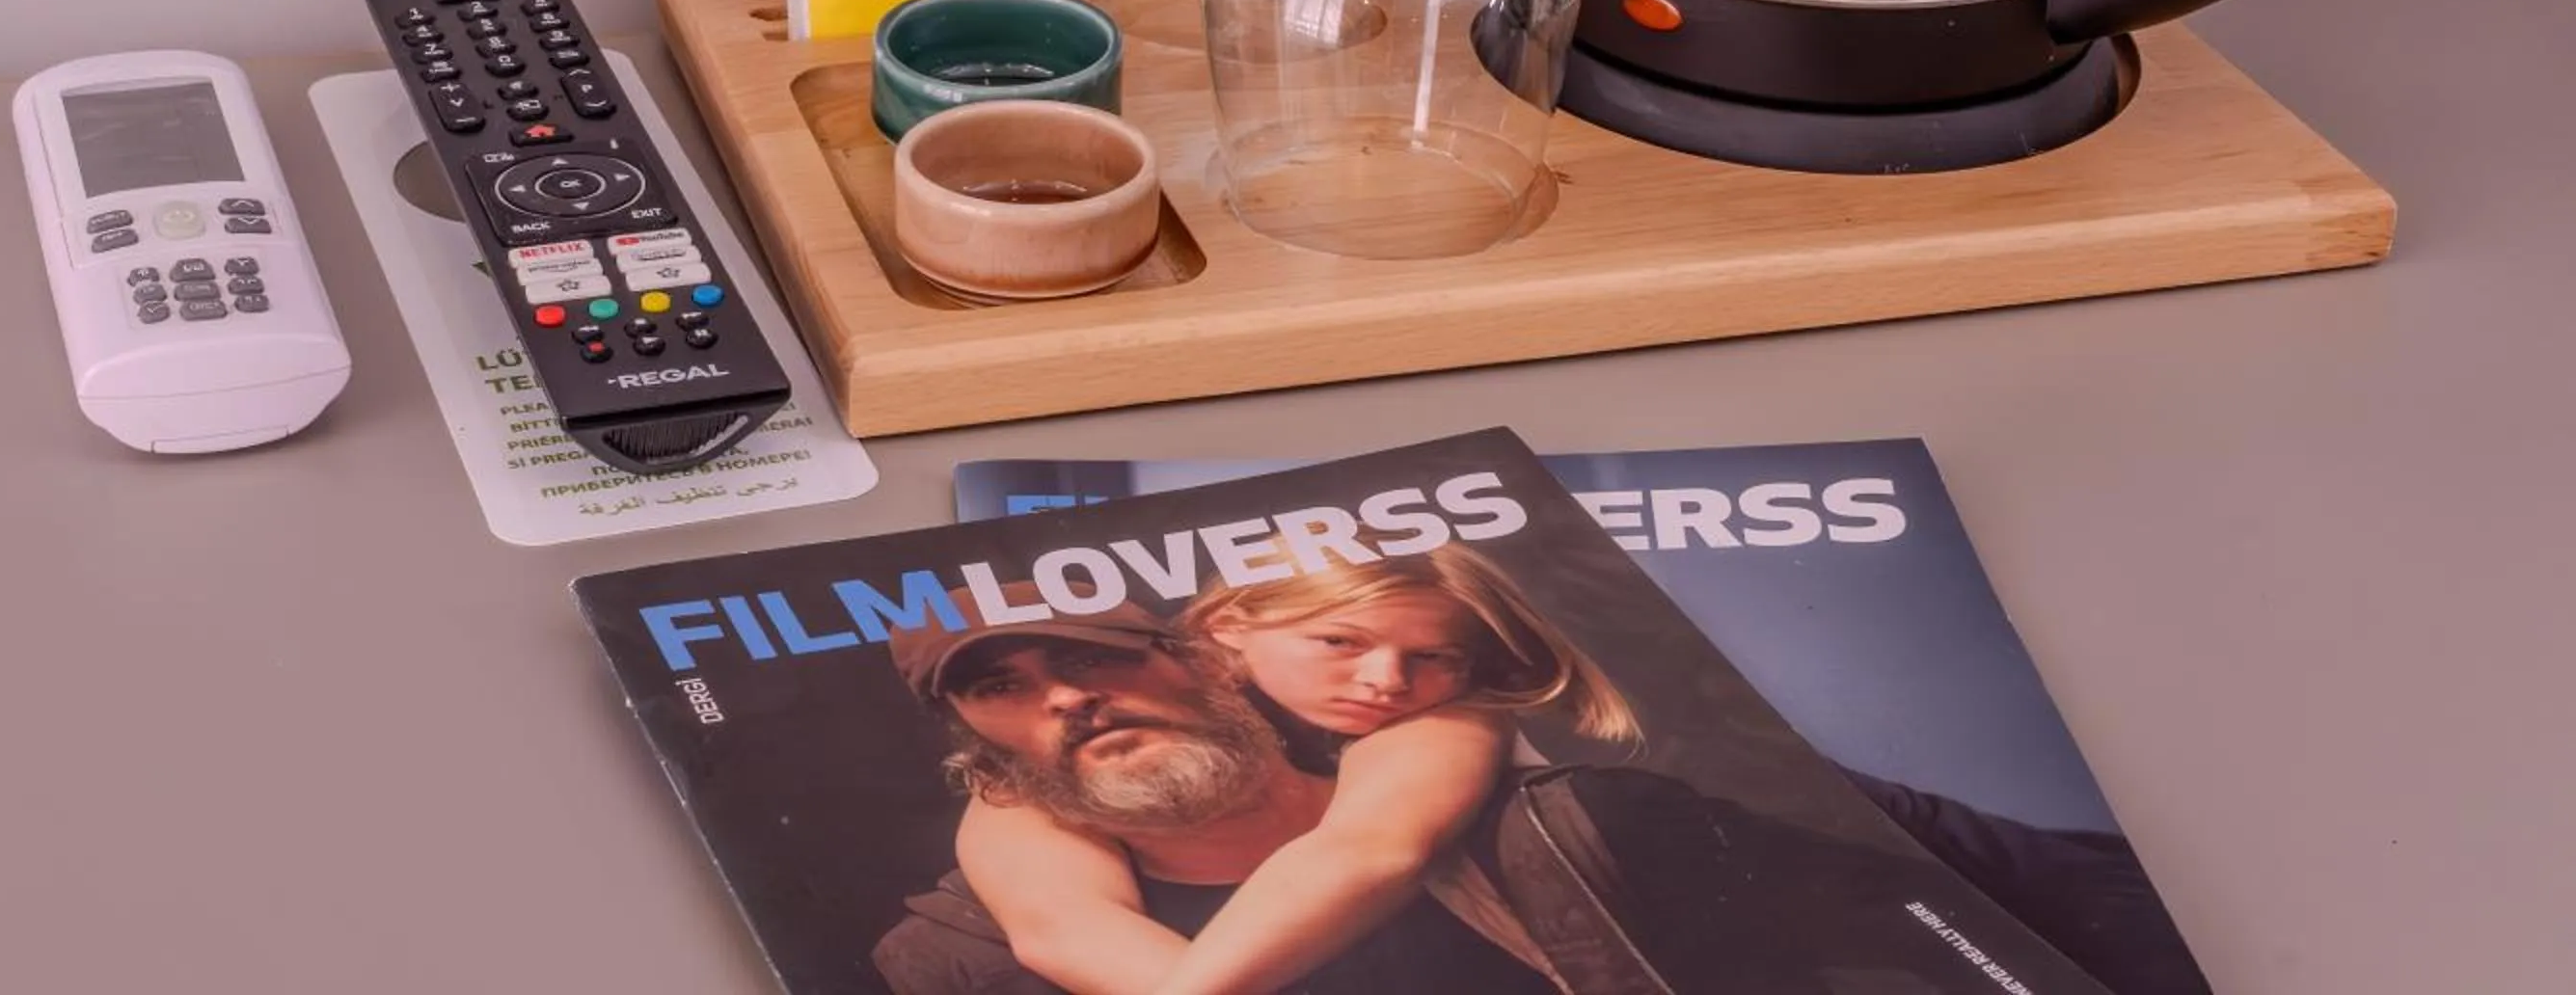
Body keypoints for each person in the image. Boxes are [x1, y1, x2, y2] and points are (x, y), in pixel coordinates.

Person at [870, 584, 2206, 995]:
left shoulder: (1514, 797)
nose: (1065, 700)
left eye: (1092, 662)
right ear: (984, 754)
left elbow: (1953, 913)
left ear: (1205, 659)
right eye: (1007, 692)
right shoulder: (977, 939)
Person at [953, 550, 1635, 995]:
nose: (1386, 682)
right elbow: (1058, 927)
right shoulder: (1044, 781)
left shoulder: (1442, 722)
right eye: (1339, 642)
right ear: (1224, 627)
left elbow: (1367, 851)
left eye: (1436, 657)